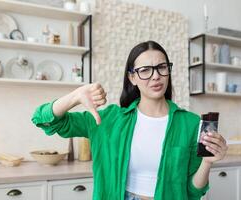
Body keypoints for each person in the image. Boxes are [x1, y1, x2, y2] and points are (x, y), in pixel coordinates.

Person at [32, 41, 228, 200]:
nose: (155, 76)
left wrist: (208, 163)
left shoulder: (191, 123)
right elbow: (43, 119)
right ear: (132, 78)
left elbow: (193, 191)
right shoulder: (108, 119)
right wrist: (76, 95)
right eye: (145, 70)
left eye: (161, 67)